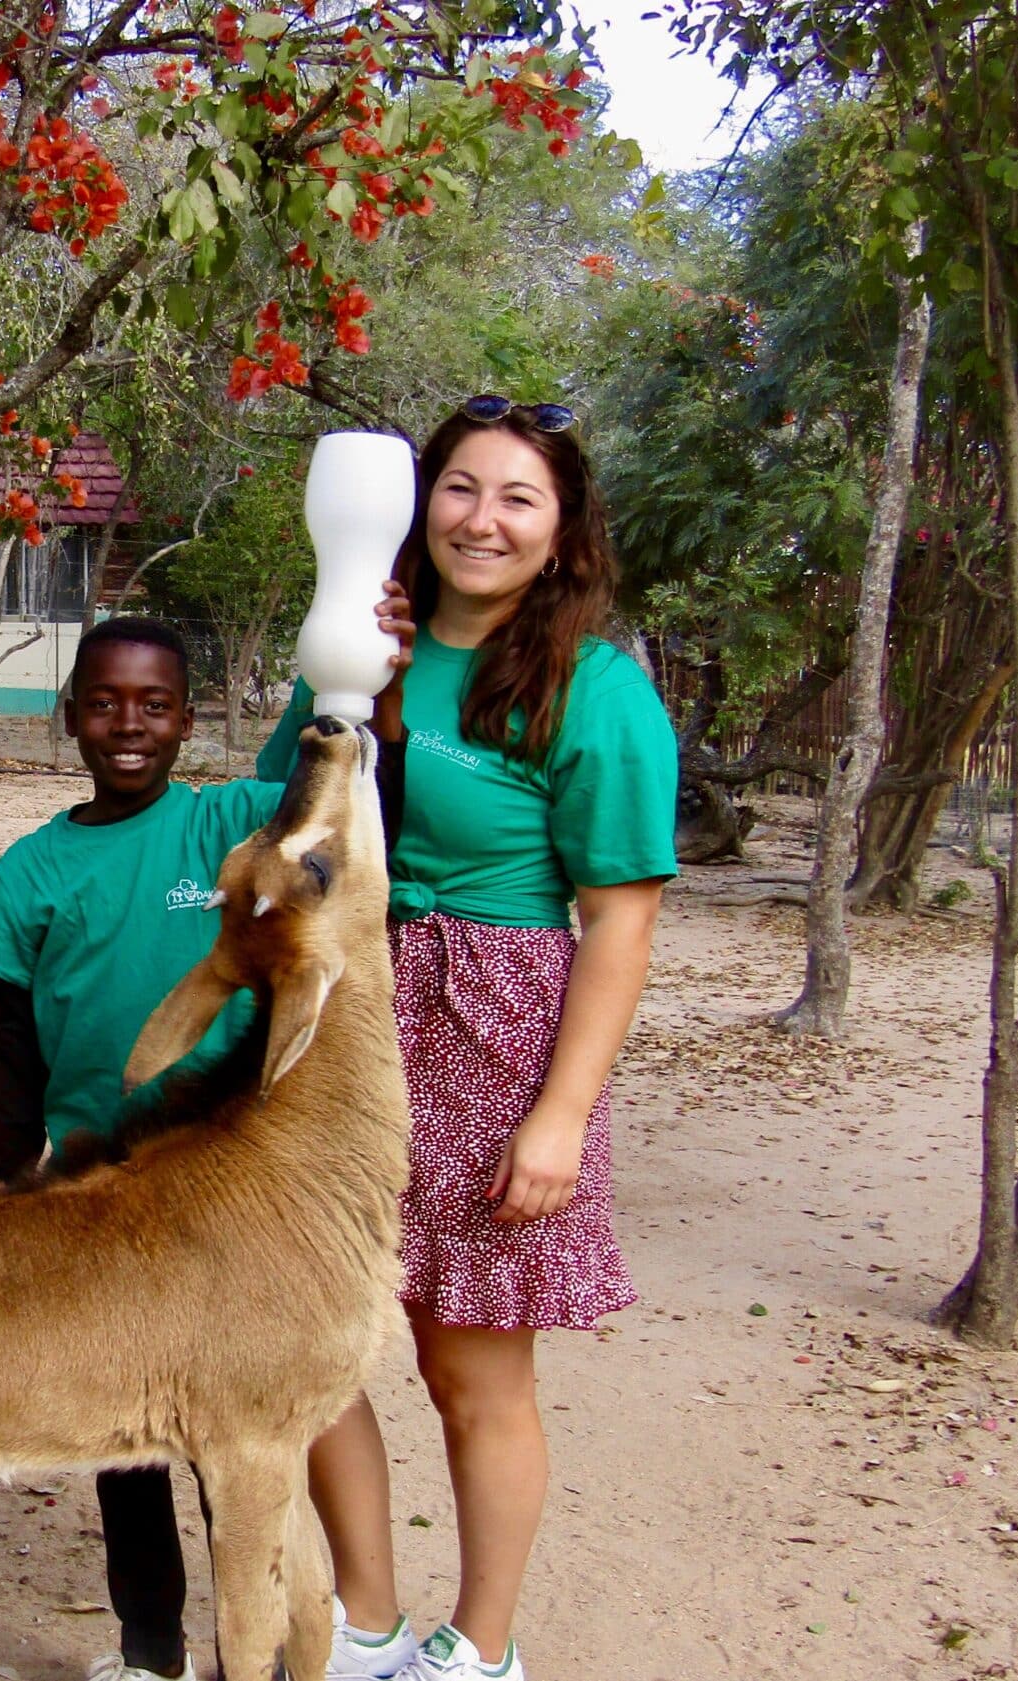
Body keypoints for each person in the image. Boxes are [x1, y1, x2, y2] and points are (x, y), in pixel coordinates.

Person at [259, 396, 679, 1681]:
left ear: (560, 536)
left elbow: (616, 921)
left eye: (517, 499)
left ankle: (477, 1648)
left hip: (496, 1033)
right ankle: (365, 1617)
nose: (480, 519)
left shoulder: (594, 690)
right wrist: (347, 678)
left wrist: (557, 1118)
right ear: (413, 503)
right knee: (316, 1335)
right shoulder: (362, 645)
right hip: (351, 1011)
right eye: (457, 488)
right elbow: (288, 813)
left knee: (468, 1372)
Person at [0, 605, 410, 1681]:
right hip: (99, 1192)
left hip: (225, 1194)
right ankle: (148, 1650)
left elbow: (363, 814)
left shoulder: (228, 824)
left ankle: (257, 1647)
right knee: (120, 1438)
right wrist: (5, 1174)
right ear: (70, 715)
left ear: (184, 721)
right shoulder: (28, 868)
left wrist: (368, 691)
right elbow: (14, 1036)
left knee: (243, 1446)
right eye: (107, 703)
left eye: (154, 706)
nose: (129, 724)